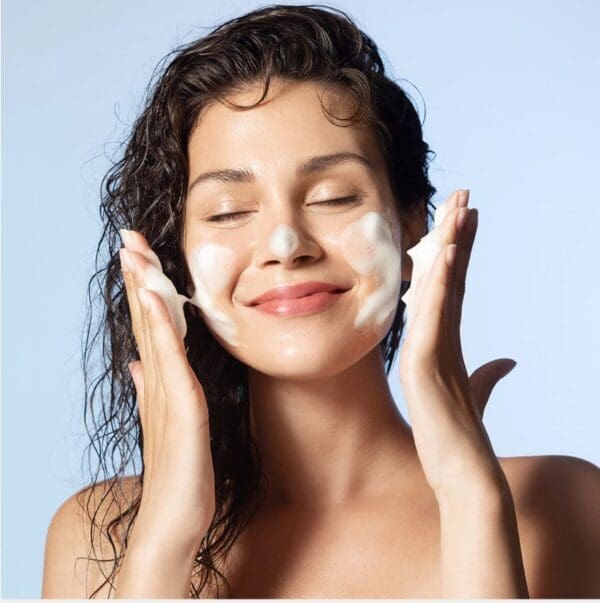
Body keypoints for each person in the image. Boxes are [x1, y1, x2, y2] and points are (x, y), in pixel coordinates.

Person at [41, 4, 600, 599]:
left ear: (414, 223)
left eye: (333, 197)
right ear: (170, 261)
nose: (285, 246)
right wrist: (166, 534)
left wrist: (470, 498)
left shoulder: (560, 506)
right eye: (229, 211)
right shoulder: (98, 537)